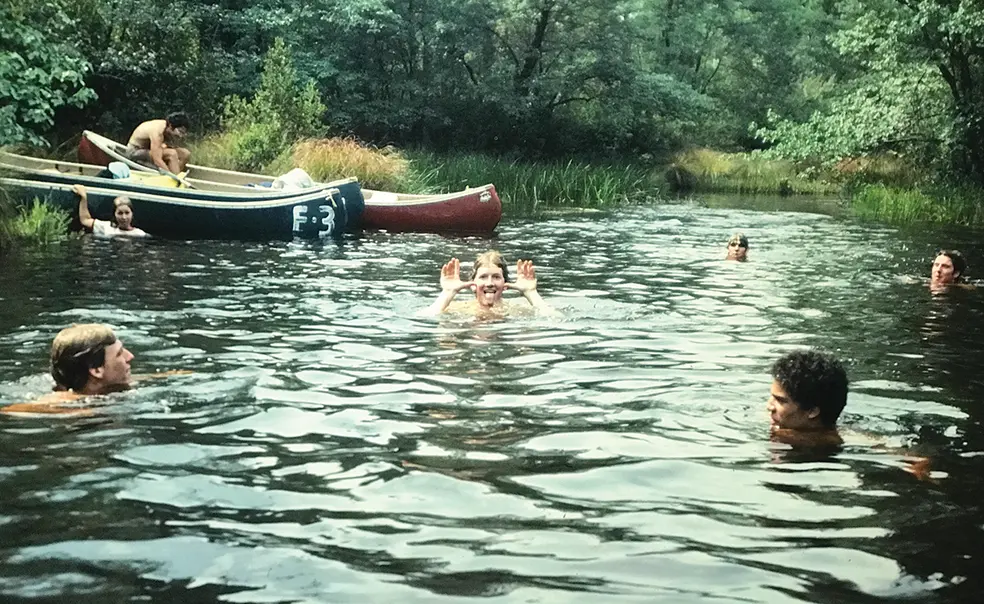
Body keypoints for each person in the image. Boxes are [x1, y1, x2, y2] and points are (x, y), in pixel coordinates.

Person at [1, 324, 134, 415]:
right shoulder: (66, 403)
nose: (130, 356)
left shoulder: (107, 386)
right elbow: (8, 411)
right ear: (96, 370)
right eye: (119, 353)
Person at [424, 250, 557, 317]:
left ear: (505, 284)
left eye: (496, 277)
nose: (489, 283)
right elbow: (425, 318)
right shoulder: (458, 309)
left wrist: (531, 293)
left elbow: (554, 318)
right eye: (483, 277)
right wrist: (447, 293)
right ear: (472, 284)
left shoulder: (517, 310)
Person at [767, 349, 848, 443]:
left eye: (780, 400)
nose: (769, 406)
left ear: (812, 411)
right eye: (772, 397)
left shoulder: (838, 440)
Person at [125, 111, 191, 173]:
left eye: (183, 133)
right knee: (172, 154)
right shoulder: (158, 132)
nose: (181, 136)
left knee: (185, 154)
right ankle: (173, 177)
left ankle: (176, 174)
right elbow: (157, 159)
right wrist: (169, 174)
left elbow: (164, 147)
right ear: (171, 126)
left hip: (149, 149)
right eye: (180, 132)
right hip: (135, 151)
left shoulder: (167, 129)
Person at [72, 184, 148, 238]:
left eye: (127, 213)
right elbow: (85, 220)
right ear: (114, 214)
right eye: (120, 213)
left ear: (132, 213)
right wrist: (84, 197)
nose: (124, 217)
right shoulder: (106, 227)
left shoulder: (139, 234)